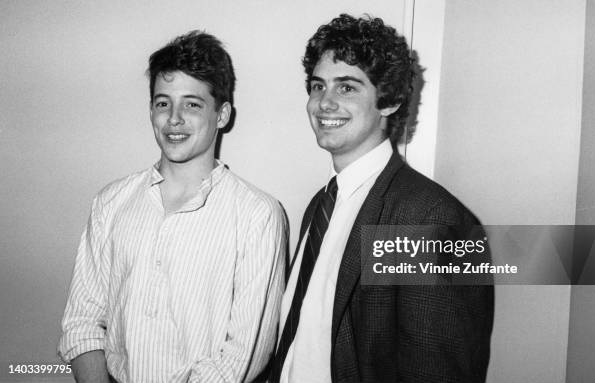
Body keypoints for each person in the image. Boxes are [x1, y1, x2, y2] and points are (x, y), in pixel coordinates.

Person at [270, 14, 494, 382]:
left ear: (388, 100)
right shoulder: (320, 205)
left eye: (347, 88)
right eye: (317, 86)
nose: (324, 103)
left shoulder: (423, 218)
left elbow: (433, 372)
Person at [58, 31, 286, 383]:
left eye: (192, 104)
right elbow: (81, 323)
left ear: (222, 114)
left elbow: (242, 356)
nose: (174, 118)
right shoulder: (111, 201)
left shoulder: (258, 215)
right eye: (163, 103)